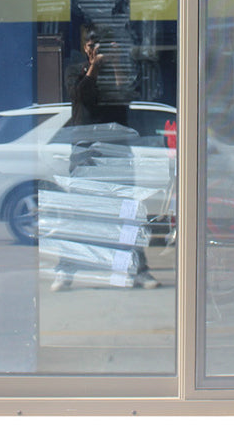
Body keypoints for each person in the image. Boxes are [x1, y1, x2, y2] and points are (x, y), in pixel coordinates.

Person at [50, 27, 160, 291]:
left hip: (117, 151)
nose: (97, 49)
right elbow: (79, 96)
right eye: (92, 45)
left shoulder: (121, 70)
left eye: (102, 45)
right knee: (79, 215)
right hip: (86, 153)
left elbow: (127, 97)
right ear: (85, 47)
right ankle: (65, 270)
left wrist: (117, 64)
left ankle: (138, 270)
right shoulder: (75, 70)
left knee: (126, 215)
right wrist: (94, 68)